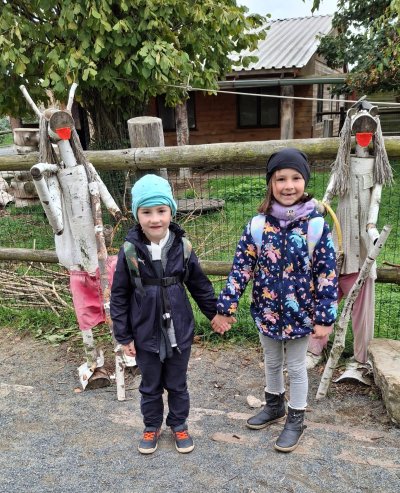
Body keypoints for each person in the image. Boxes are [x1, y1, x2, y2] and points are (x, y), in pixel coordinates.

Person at [212, 148, 338, 453]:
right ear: (271, 182)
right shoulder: (258, 226)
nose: (288, 185)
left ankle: (296, 418)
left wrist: (325, 318)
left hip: (301, 314)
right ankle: (274, 405)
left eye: (296, 178)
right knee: (271, 361)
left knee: (295, 366)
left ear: (305, 181)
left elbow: (326, 274)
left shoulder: (316, 226)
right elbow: (241, 268)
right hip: (266, 311)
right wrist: (226, 308)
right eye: (281, 178)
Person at [110, 174, 233, 455]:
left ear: (171, 211)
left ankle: (179, 424)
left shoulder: (183, 247)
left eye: (161, 210)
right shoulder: (129, 251)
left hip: (179, 330)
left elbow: (199, 285)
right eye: (147, 212)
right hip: (144, 333)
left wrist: (215, 314)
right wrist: (124, 335)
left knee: (177, 384)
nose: (155, 219)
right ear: (136, 214)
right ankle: (151, 426)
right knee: (150, 385)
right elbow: (119, 295)